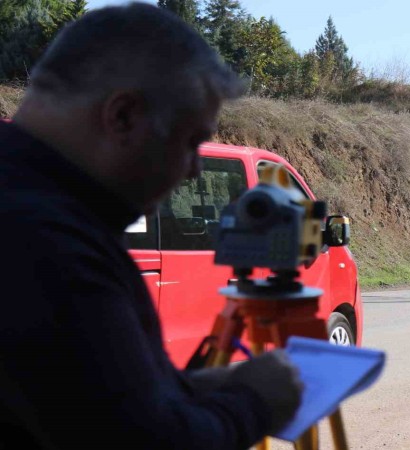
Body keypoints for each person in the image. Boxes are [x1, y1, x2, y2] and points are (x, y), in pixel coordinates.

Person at [0, 4, 303, 449]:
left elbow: (81, 407)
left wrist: (181, 391)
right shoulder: (51, 245)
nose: (195, 171)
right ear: (123, 116)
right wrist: (253, 401)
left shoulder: (35, 209)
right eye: (191, 142)